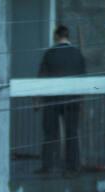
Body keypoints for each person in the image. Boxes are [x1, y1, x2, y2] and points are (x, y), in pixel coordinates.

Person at [36, 25, 86, 174]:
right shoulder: (78, 54)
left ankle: (48, 165)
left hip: (52, 98)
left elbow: (41, 77)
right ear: (68, 36)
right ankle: (73, 165)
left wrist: (36, 99)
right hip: (72, 99)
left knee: (50, 133)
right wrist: (82, 101)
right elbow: (83, 79)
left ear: (56, 36)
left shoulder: (50, 54)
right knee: (72, 132)